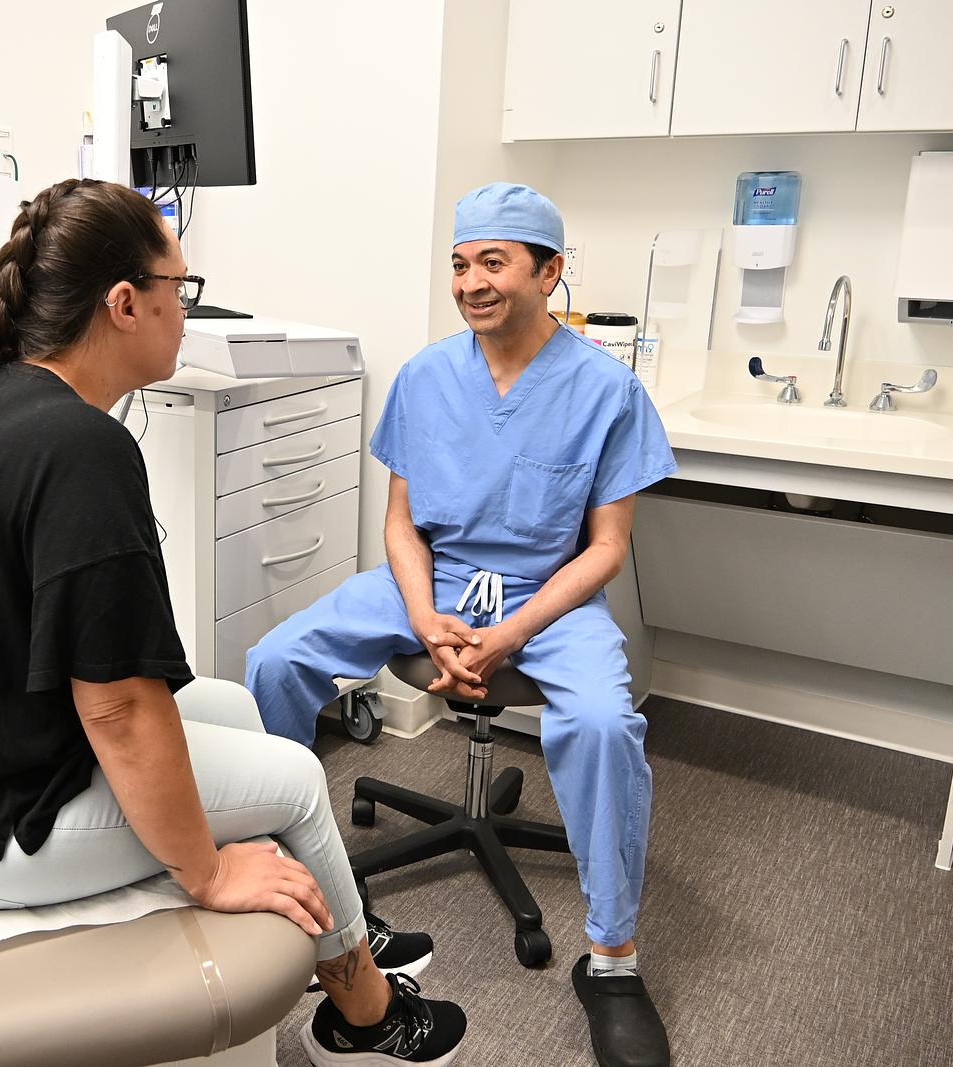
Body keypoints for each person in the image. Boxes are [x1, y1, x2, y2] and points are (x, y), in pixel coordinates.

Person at [0, 178, 467, 1066]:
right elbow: (116, 710)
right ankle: (365, 1017)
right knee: (298, 779)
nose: (187, 311)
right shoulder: (81, 448)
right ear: (125, 303)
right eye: (179, 291)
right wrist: (209, 869)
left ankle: (335, 922)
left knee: (229, 705)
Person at [245, 182, 676, 1067]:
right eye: (460, 263)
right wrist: (423, 614)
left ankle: (613, 960)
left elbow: (605, 550)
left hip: (547, 596)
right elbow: (401, 523)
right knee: (274, 660)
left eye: (493, 262)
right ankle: (286, 884)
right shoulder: (428, 375)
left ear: (549, 272)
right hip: (431, 581)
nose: (471, 282)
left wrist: (510, 632)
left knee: (603, 723)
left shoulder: (606, 389)